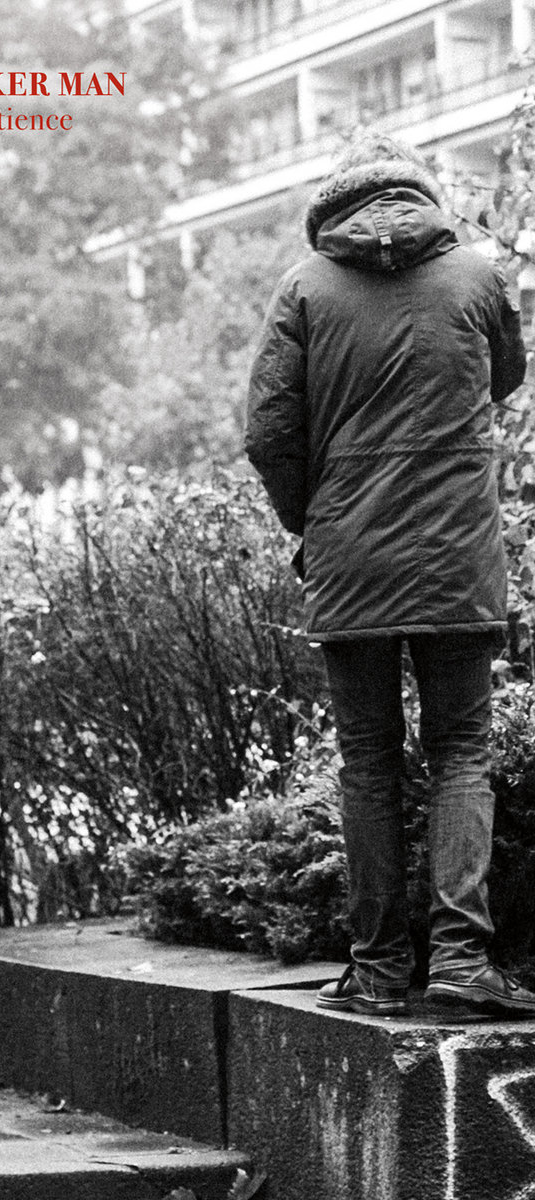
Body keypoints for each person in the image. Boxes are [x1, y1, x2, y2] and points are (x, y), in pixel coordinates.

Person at [245, 133, 535, 1018]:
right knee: (461, 752)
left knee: (367, 762)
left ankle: (376, 972)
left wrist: (314, 518)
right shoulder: (477, 276)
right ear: (421, 191)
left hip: (350, 557)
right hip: (457, 553)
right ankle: (460, 961)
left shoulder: (304, 287)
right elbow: (506, 376)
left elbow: (268, 432)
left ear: (336, 198)